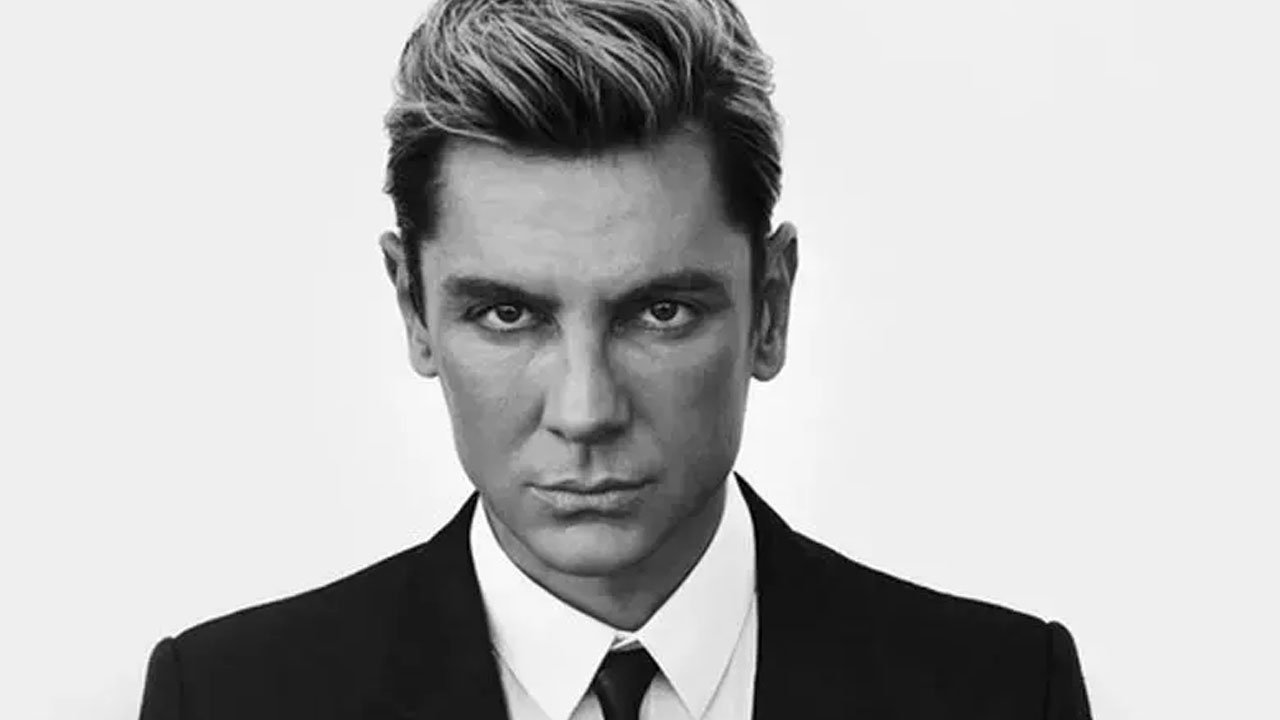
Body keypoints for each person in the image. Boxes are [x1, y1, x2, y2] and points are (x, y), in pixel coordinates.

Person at [139, 0, 1092, 718]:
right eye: (507, 314)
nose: (585, 410)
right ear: (413, 309)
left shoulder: (1006, 693)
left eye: (660, 312)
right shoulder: (226, 700)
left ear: (770, 307)